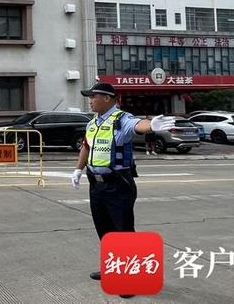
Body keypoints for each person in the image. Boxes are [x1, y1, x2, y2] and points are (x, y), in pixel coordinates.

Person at [70, 83, 174, 289]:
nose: (89, 100)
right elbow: (86, 146)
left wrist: (151, 125)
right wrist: (78, 170)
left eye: (93, 96)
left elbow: (138, 124)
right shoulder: (93, 123)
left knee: (123, 231)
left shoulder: (121, 119)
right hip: (96, 186)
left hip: (118, 185)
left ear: (107, 98)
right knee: (105, 231)